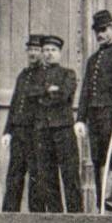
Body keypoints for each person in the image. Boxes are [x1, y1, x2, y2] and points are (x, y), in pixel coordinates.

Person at [74, 10, 112, 214]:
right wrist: (80, 119)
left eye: (103, 30)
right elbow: (85, 92)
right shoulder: (93, 60)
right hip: (94, 116)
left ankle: (110, 205)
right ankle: (102, 203)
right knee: (98, 159)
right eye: (97, 31)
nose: (100, 35)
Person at [32, 34, 83, 213]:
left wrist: (44, 95)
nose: (49, 54)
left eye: (53, 50)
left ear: (60, 53)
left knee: (70, 174)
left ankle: (76, 216)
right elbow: (31, 94)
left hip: (64, 130)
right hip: (42, 131)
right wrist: (49, 91)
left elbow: (64, 95)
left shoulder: (68, 74)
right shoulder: (34, 75)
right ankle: (55, 215)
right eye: (45, 50)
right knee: (47, 176)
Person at [2, 35, 45, 213]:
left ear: (43, 52)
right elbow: (14, 105)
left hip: (35, 132)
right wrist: (8, 131)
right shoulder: (23, 75)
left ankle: (36, 217)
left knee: (36, 175)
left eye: (37, 50)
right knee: (14, 174)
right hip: (19, 132)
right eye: (31, 50)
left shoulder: (45, 75)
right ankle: (9, 215)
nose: (33, 53)